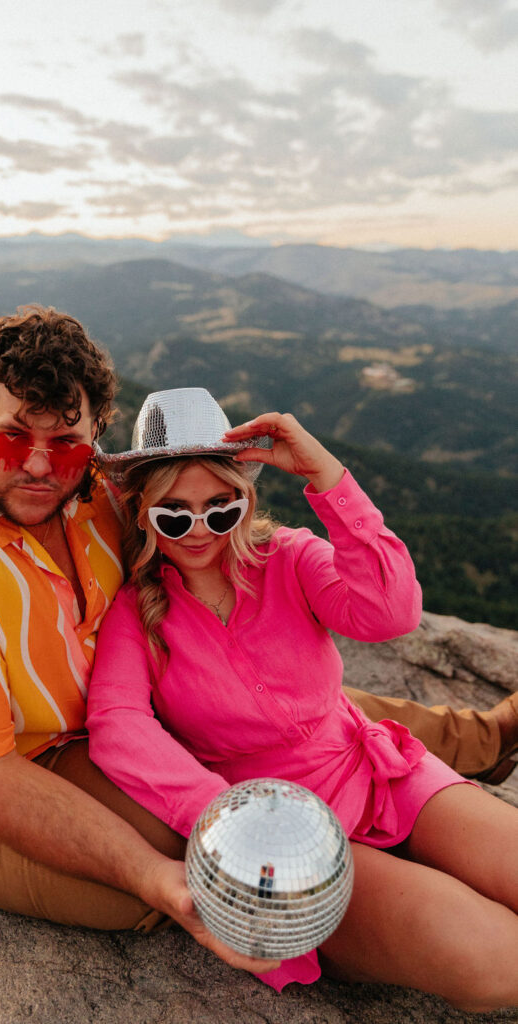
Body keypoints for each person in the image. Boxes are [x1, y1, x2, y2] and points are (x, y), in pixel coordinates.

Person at [0, 308, 515, 977]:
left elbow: (373, 615)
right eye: (13, 441)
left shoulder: (97, 499)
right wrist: (180, 862)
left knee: (283, 701)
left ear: (96, 444)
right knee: (144, 874)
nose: (40, 467)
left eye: (67, 444)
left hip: (94, 737)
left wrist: (325, 479)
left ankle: (484, 739)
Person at [86, 387, 518, 1012]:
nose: (200, 529)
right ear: (144, 514)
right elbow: (117, 724)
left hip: (382, 773)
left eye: (220, 508)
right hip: (285, 838)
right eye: (175, 515)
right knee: (497, 960)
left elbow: (392, 613)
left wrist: (328, 476)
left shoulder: (287, 558)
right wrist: (227, 824)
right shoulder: (137, 612)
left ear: (245, 497)